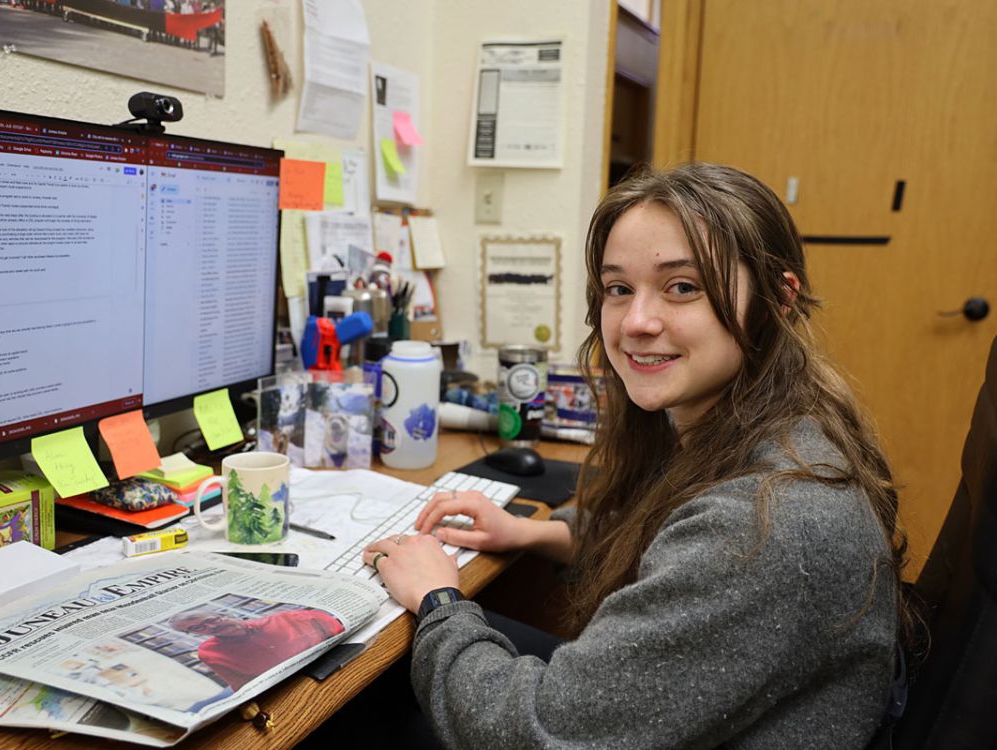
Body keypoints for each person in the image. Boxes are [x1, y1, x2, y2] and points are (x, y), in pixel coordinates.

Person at [361, 162, 912, 749]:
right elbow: (667, 532)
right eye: (619, 289)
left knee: (359, 710)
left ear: (778, 297)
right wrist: (535, 534)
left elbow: (534, 735)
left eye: (683, 287)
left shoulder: (763, 526)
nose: (637, 322)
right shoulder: (767, 425)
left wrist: (438, 599)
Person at [170, 607, 344, 691]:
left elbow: (345, 638)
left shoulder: (291, 618)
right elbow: (243, 685)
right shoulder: (209, 653)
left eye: (210, 620)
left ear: (222, 614)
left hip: (337, 674)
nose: (210, 627)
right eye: (197, 628)